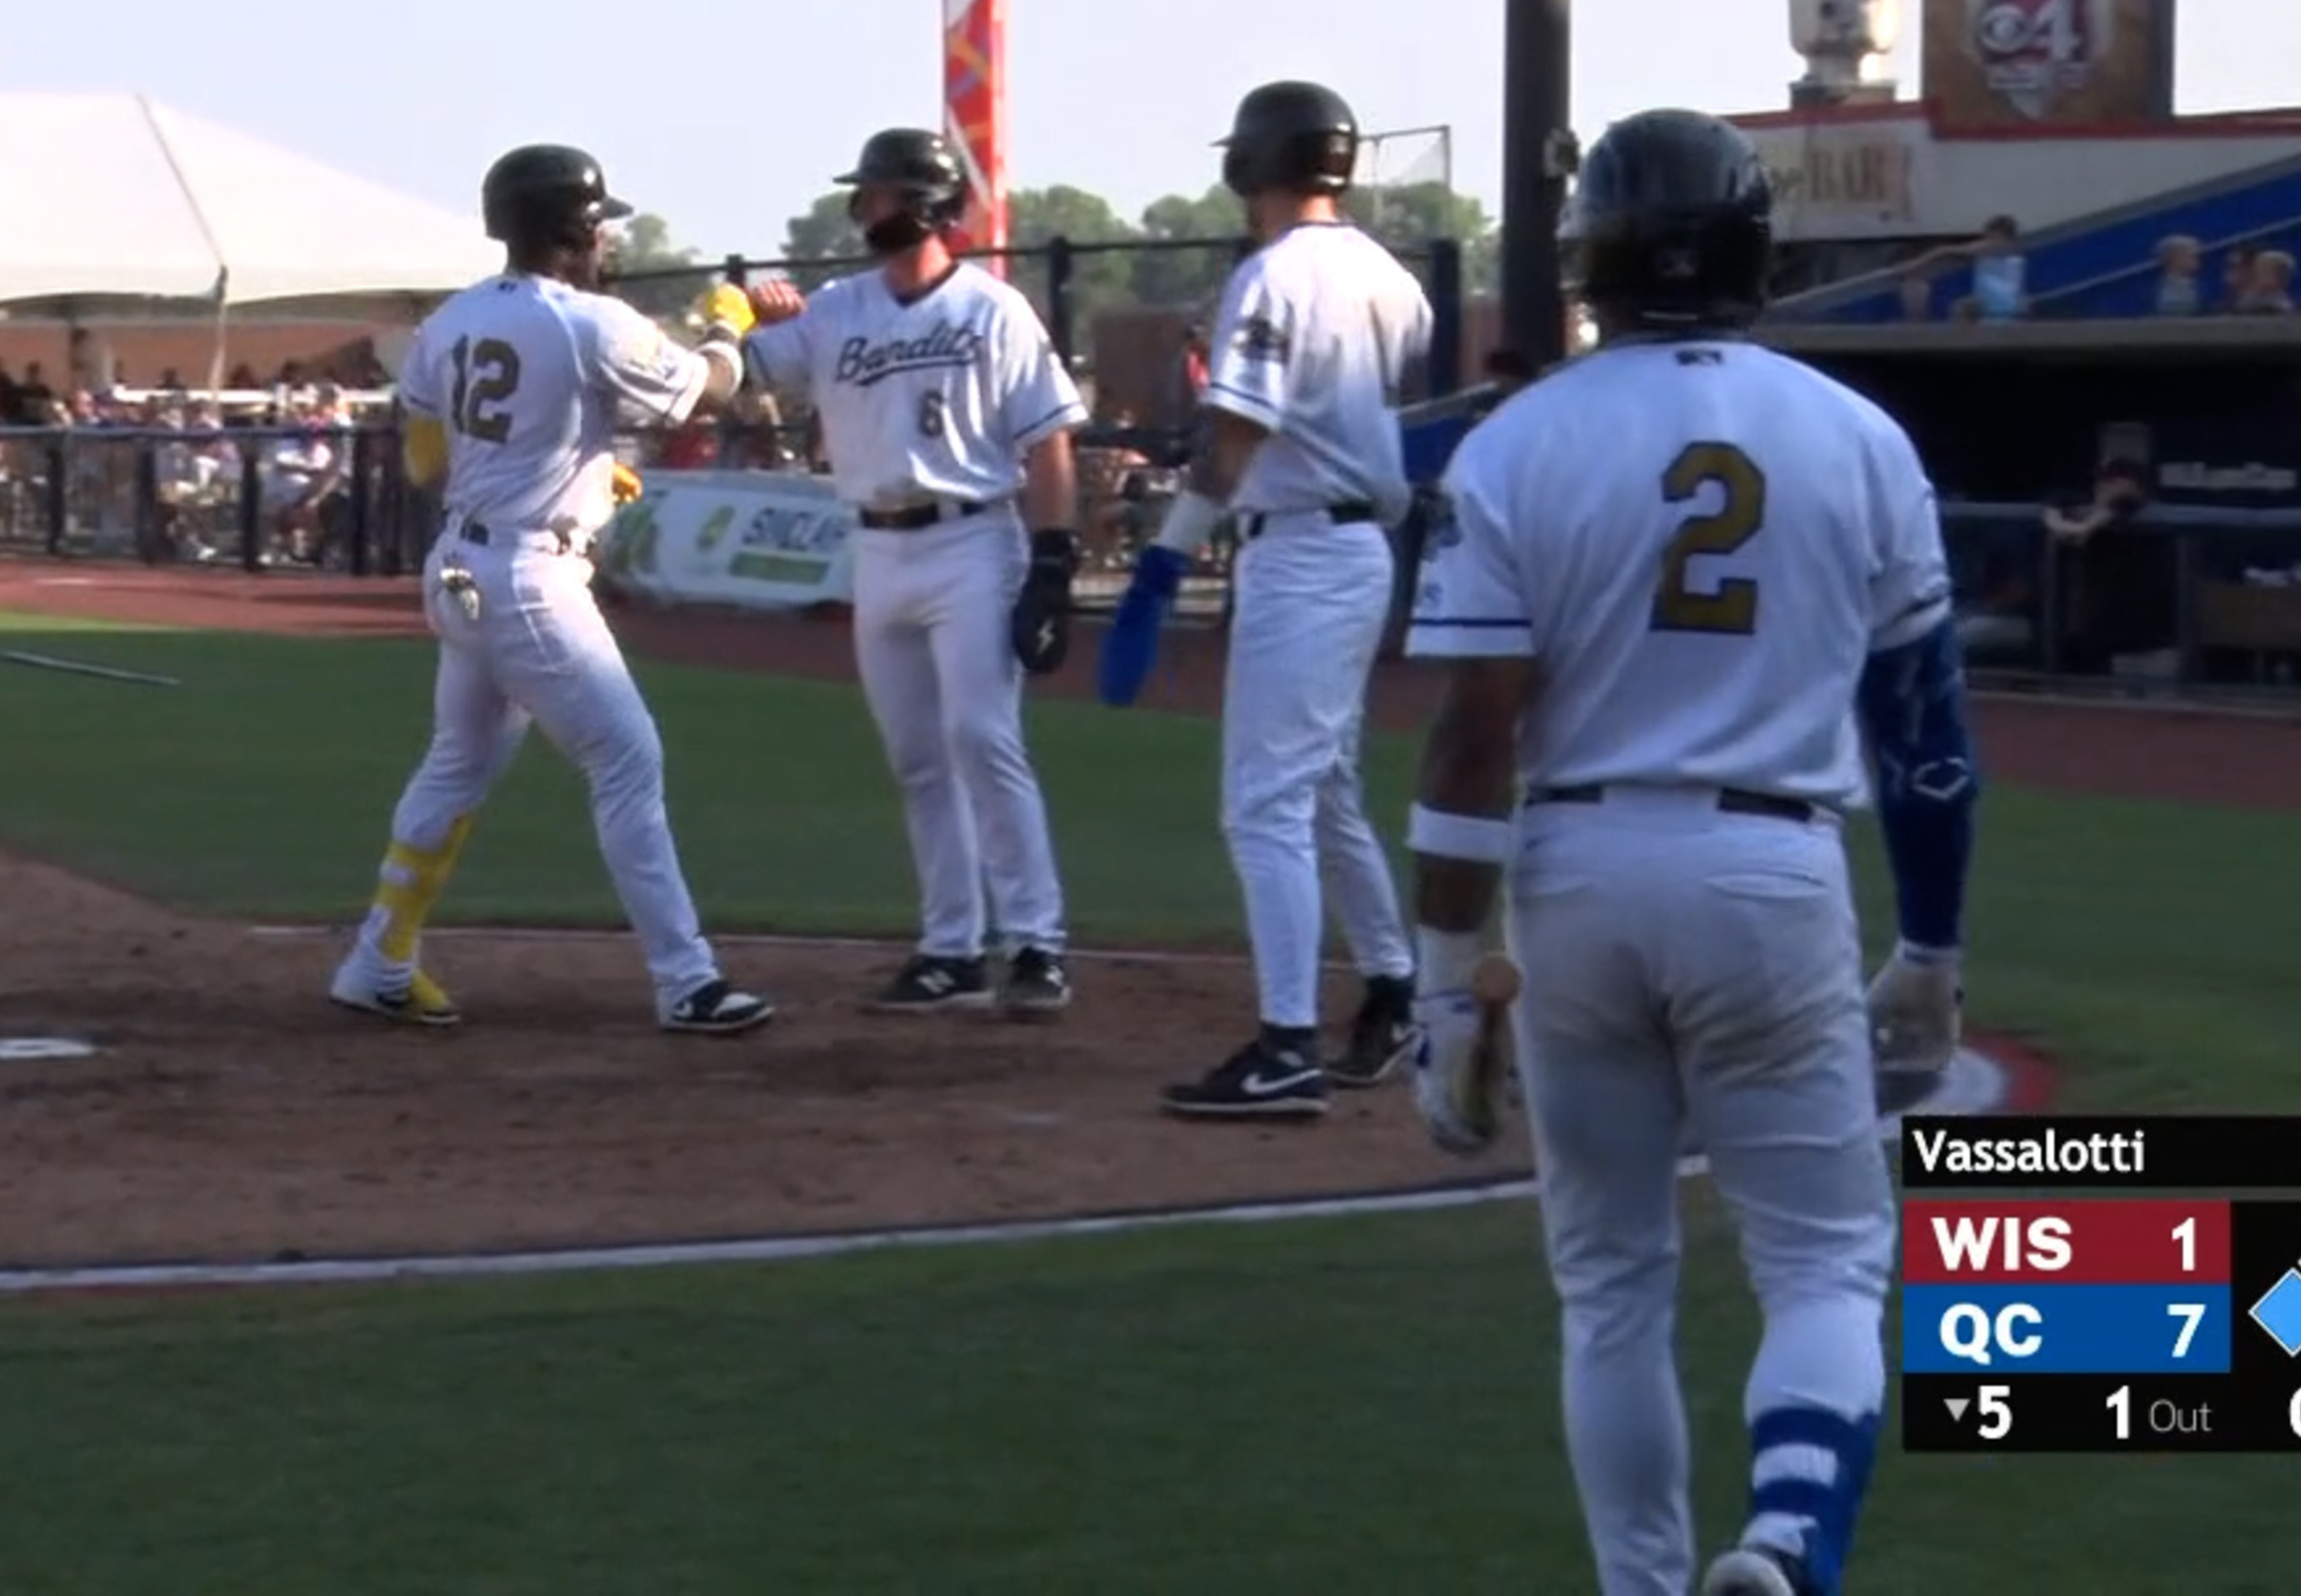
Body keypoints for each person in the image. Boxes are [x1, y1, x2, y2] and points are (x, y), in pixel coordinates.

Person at [1397, 108, 1977, 1596]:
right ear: (1753, 253)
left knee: (1609, 1286)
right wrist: (1931, 941)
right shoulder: (1857, 435)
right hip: (1773, 865)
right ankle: (1787, 1539)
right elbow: (1926, 730)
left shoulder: (1518, 435)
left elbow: (1470, 738)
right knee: (1827, 1264)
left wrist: (1449, 981)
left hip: (1576, 868)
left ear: (1591, 257)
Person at [328, 144, 774, 1036]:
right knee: (627, 760)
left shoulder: (450, 321)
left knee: (457, 763)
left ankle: (379, 960)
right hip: (530, 574)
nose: (607, 235)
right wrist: (731, 321)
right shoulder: (591, 320)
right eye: (601, 222)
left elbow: (426, 457)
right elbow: (711, 392)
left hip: (462, 561)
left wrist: (564, 474)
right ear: (573, 228)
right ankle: (687, 980)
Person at [1096, 80, 1432, 1118]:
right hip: (1359, 543)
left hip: (1303, 551)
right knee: (1322, 788)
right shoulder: (1389, 275)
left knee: (1266, 805)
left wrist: (1162, 561)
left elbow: (1237, 436)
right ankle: (1393, 990)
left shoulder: (1273, 276)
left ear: (1255, 165)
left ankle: (1287, 1044)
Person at [737, 127, 1089, 1016]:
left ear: (927, 204)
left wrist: (1052, 561)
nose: (866, 209)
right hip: (879, 546)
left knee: (983, 736)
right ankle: (951, 948)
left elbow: (1047, 440)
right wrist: (741, 311)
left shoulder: (992, 309)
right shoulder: (834, 308)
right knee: (918, 759)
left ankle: (1037, 940)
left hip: (973, 539)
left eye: (881, 194)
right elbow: (743, 377)